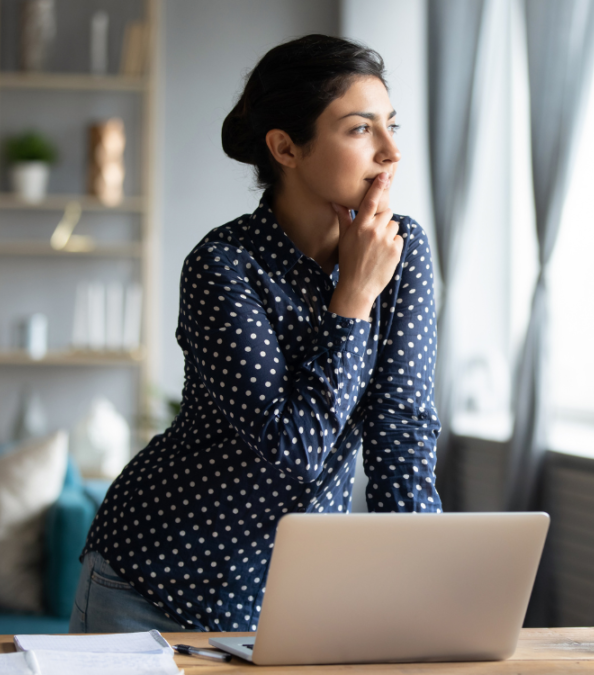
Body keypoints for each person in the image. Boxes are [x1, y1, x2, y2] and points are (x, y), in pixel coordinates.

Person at [69, 34, 442, 634]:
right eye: (359, 129)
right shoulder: (223, 265)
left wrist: (425, 592)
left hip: (291, 597)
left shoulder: (404, 250)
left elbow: (401, 431)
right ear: (285, 148)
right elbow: (291, 451)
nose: (391, 151)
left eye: (391, 125)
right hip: (156, 579)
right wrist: (353, 301)